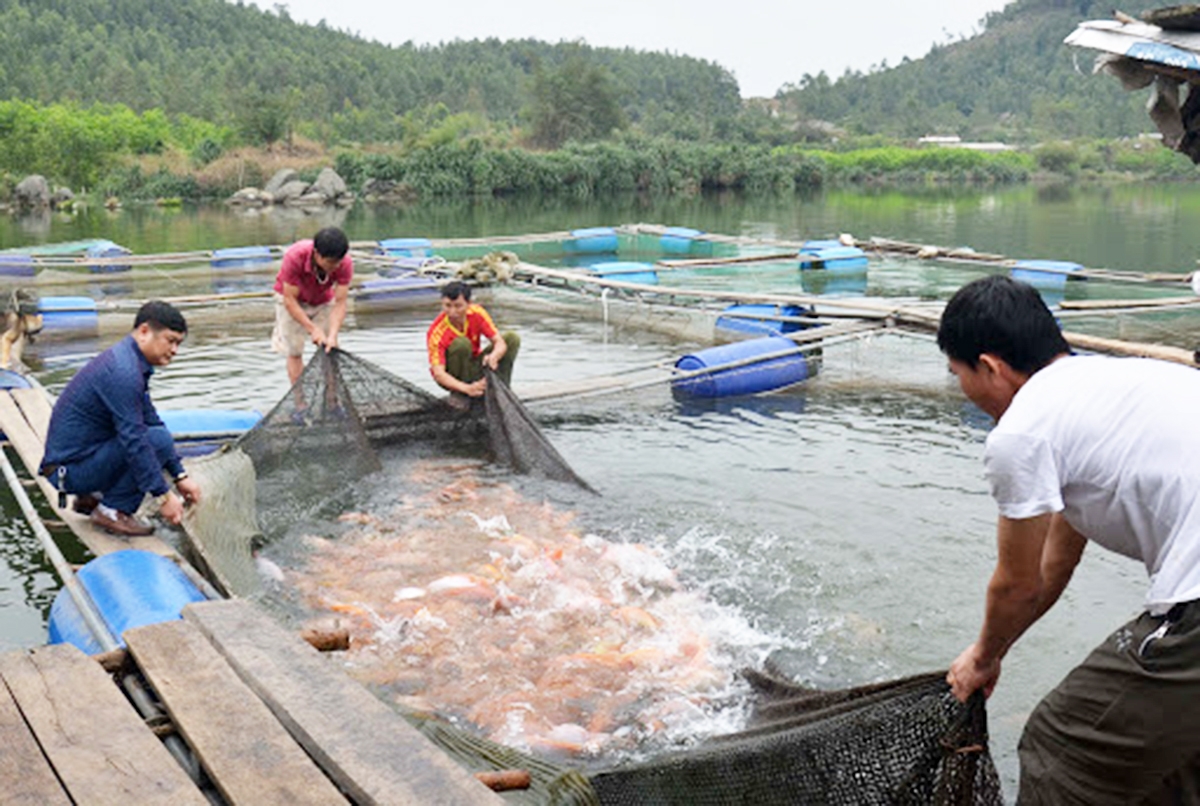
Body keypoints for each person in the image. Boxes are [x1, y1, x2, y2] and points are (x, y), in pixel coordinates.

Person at [938, 274, 1200, 803]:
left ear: (989, 367)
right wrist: (997, 650)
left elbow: (1014, 585)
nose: (961, 390)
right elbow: (1051, 567)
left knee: (1058, 748)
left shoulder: (1021, 433)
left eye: (957, 374)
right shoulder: (1108, 389)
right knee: (1172, 759)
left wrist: (982, 657)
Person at [40, 301, 202, 537]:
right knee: (152, 441)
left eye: (179, 343)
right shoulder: (123, 372)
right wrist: (163, 496)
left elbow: (152, 420)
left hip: (77, 461)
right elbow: (135, 440)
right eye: (171, 341)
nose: (175, 350)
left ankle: (93, 498)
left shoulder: (130, 363)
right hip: (67, 472)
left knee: (158, 435)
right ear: (144, 331)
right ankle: (112, 510)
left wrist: (179, 476)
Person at [272, 227, 353, 386]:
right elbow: (290, 300)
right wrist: (313, 329)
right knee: (294, 351)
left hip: (322, 299)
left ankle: (332, 401)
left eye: (338, 262)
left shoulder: (345, 263)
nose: (335, 266)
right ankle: (300, 405)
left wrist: (333, 335)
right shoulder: (295, 257)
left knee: (330, 349)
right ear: (317, 254)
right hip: (292, 300)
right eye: (330, 262)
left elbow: (340, 302)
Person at [426, 281, 520, 406]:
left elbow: (499, 342)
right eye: (447, 306)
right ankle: (460, 394)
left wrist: (494, 356)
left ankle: (501, 387)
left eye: (458, 306)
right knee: (461, 344)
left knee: (512, 338)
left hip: (474, 363)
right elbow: (439, 373)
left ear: (468, 304)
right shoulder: (437, 332)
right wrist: (466, 388)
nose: (453, 312)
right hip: (454, 376)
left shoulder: (477, 313)